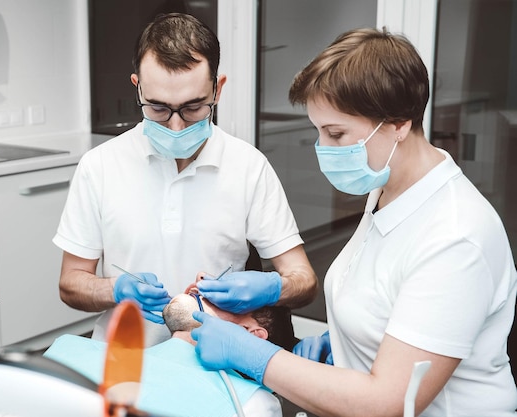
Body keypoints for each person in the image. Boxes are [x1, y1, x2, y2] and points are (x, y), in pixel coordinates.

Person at [190, 27, 517, 417]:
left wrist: (255, 356)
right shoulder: (387, 191)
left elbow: (388, 402)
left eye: (336, 133)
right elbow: (388, 299)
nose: (322, 149)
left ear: (398, 122)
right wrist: (346, 344)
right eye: (318, 131)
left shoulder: (456, 235)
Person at [53, 12, 317, 346]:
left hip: (216, 360)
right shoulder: (99, 166)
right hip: (124, 358)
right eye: (158, 109)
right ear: (138, 88)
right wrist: (114, 289)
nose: (176, 125)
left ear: (217, 90)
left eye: (193, 108)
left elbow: (304, 279)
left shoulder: (249, 167)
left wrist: (274, 288)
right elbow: (71, 284)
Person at [44, 290, 299, 417]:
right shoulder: (71, 347)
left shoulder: (249, 404)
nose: (197, 287)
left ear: (250, 335)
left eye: (225, 297)